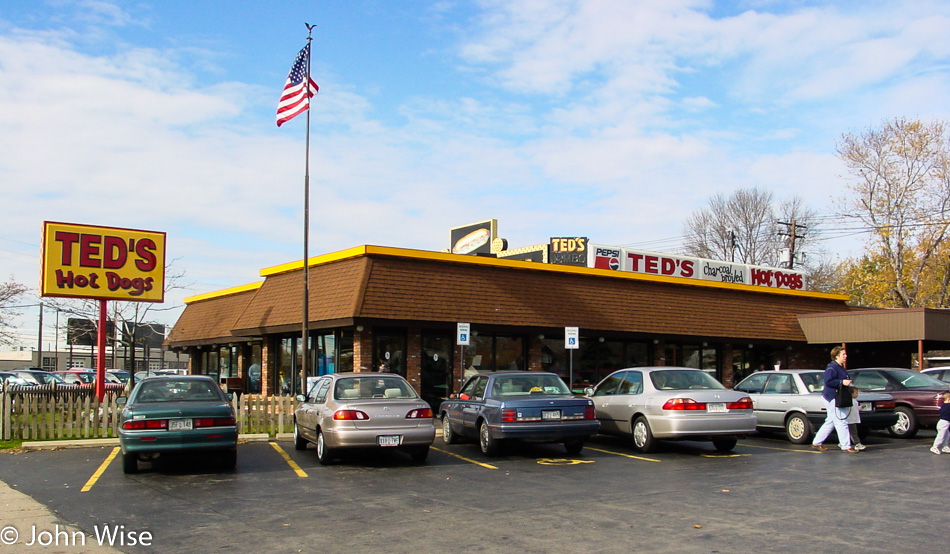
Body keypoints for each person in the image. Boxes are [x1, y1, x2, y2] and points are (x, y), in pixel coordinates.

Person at [812, 345, 858, 453]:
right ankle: (846, 446)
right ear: (836, 356)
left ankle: (817, 442)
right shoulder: (832, 368)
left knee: (831, 421)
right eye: (843, 354)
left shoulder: (840, 367)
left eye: (845, 354)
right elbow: (828, 381)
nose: (845, 356)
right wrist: (842, 382)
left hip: (834, 397)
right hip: (833, 397)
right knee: (841, 421)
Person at [846, 386, 866, 451]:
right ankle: (857, 444)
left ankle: (843, 443)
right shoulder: (849, 401)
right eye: (856, 393)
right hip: (850, 419)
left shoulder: (854, 401)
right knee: (853, 432)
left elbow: (856, 409)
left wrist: (860, 407)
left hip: (853, 419)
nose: (857, 394)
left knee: (850, 432)